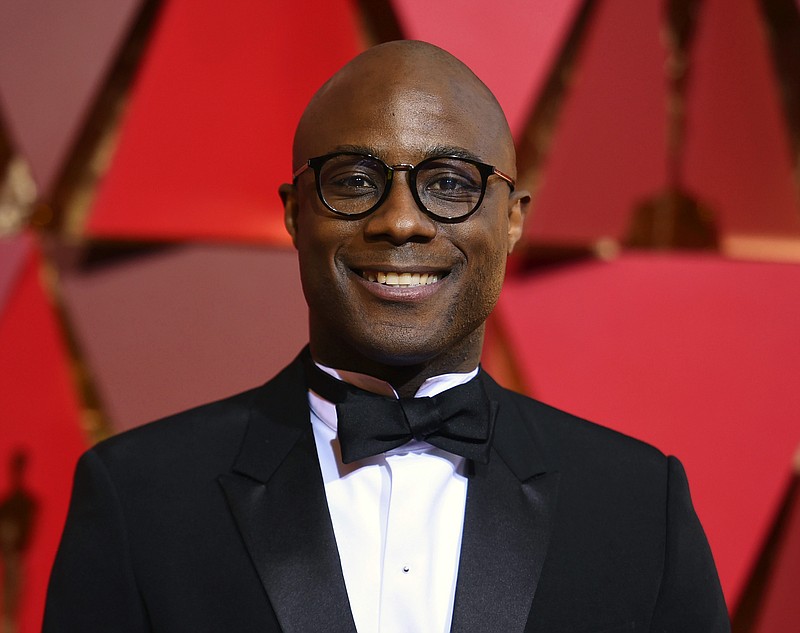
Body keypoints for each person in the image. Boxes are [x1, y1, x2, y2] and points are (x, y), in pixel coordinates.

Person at [44, 41, 729, 632]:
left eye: (452, 183)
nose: (401, 221)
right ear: (296, 212)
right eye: (354, 180)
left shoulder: (639, 504)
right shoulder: (141, 499)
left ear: (513, 219)